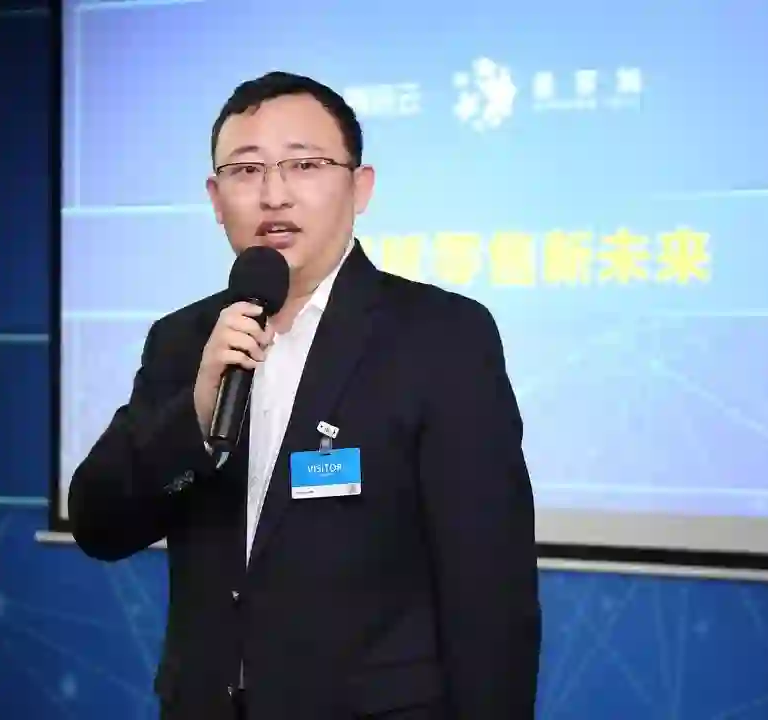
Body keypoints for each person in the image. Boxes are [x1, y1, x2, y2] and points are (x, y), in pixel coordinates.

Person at [68, 71, 541, 720]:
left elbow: (489, 589)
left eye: (304, 165)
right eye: (246, 170)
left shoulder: (441, 337)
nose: (274, 194)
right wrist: (195, 419)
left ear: (360, 186)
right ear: (215, 198)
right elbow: (98, 523)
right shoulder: (184, 340)